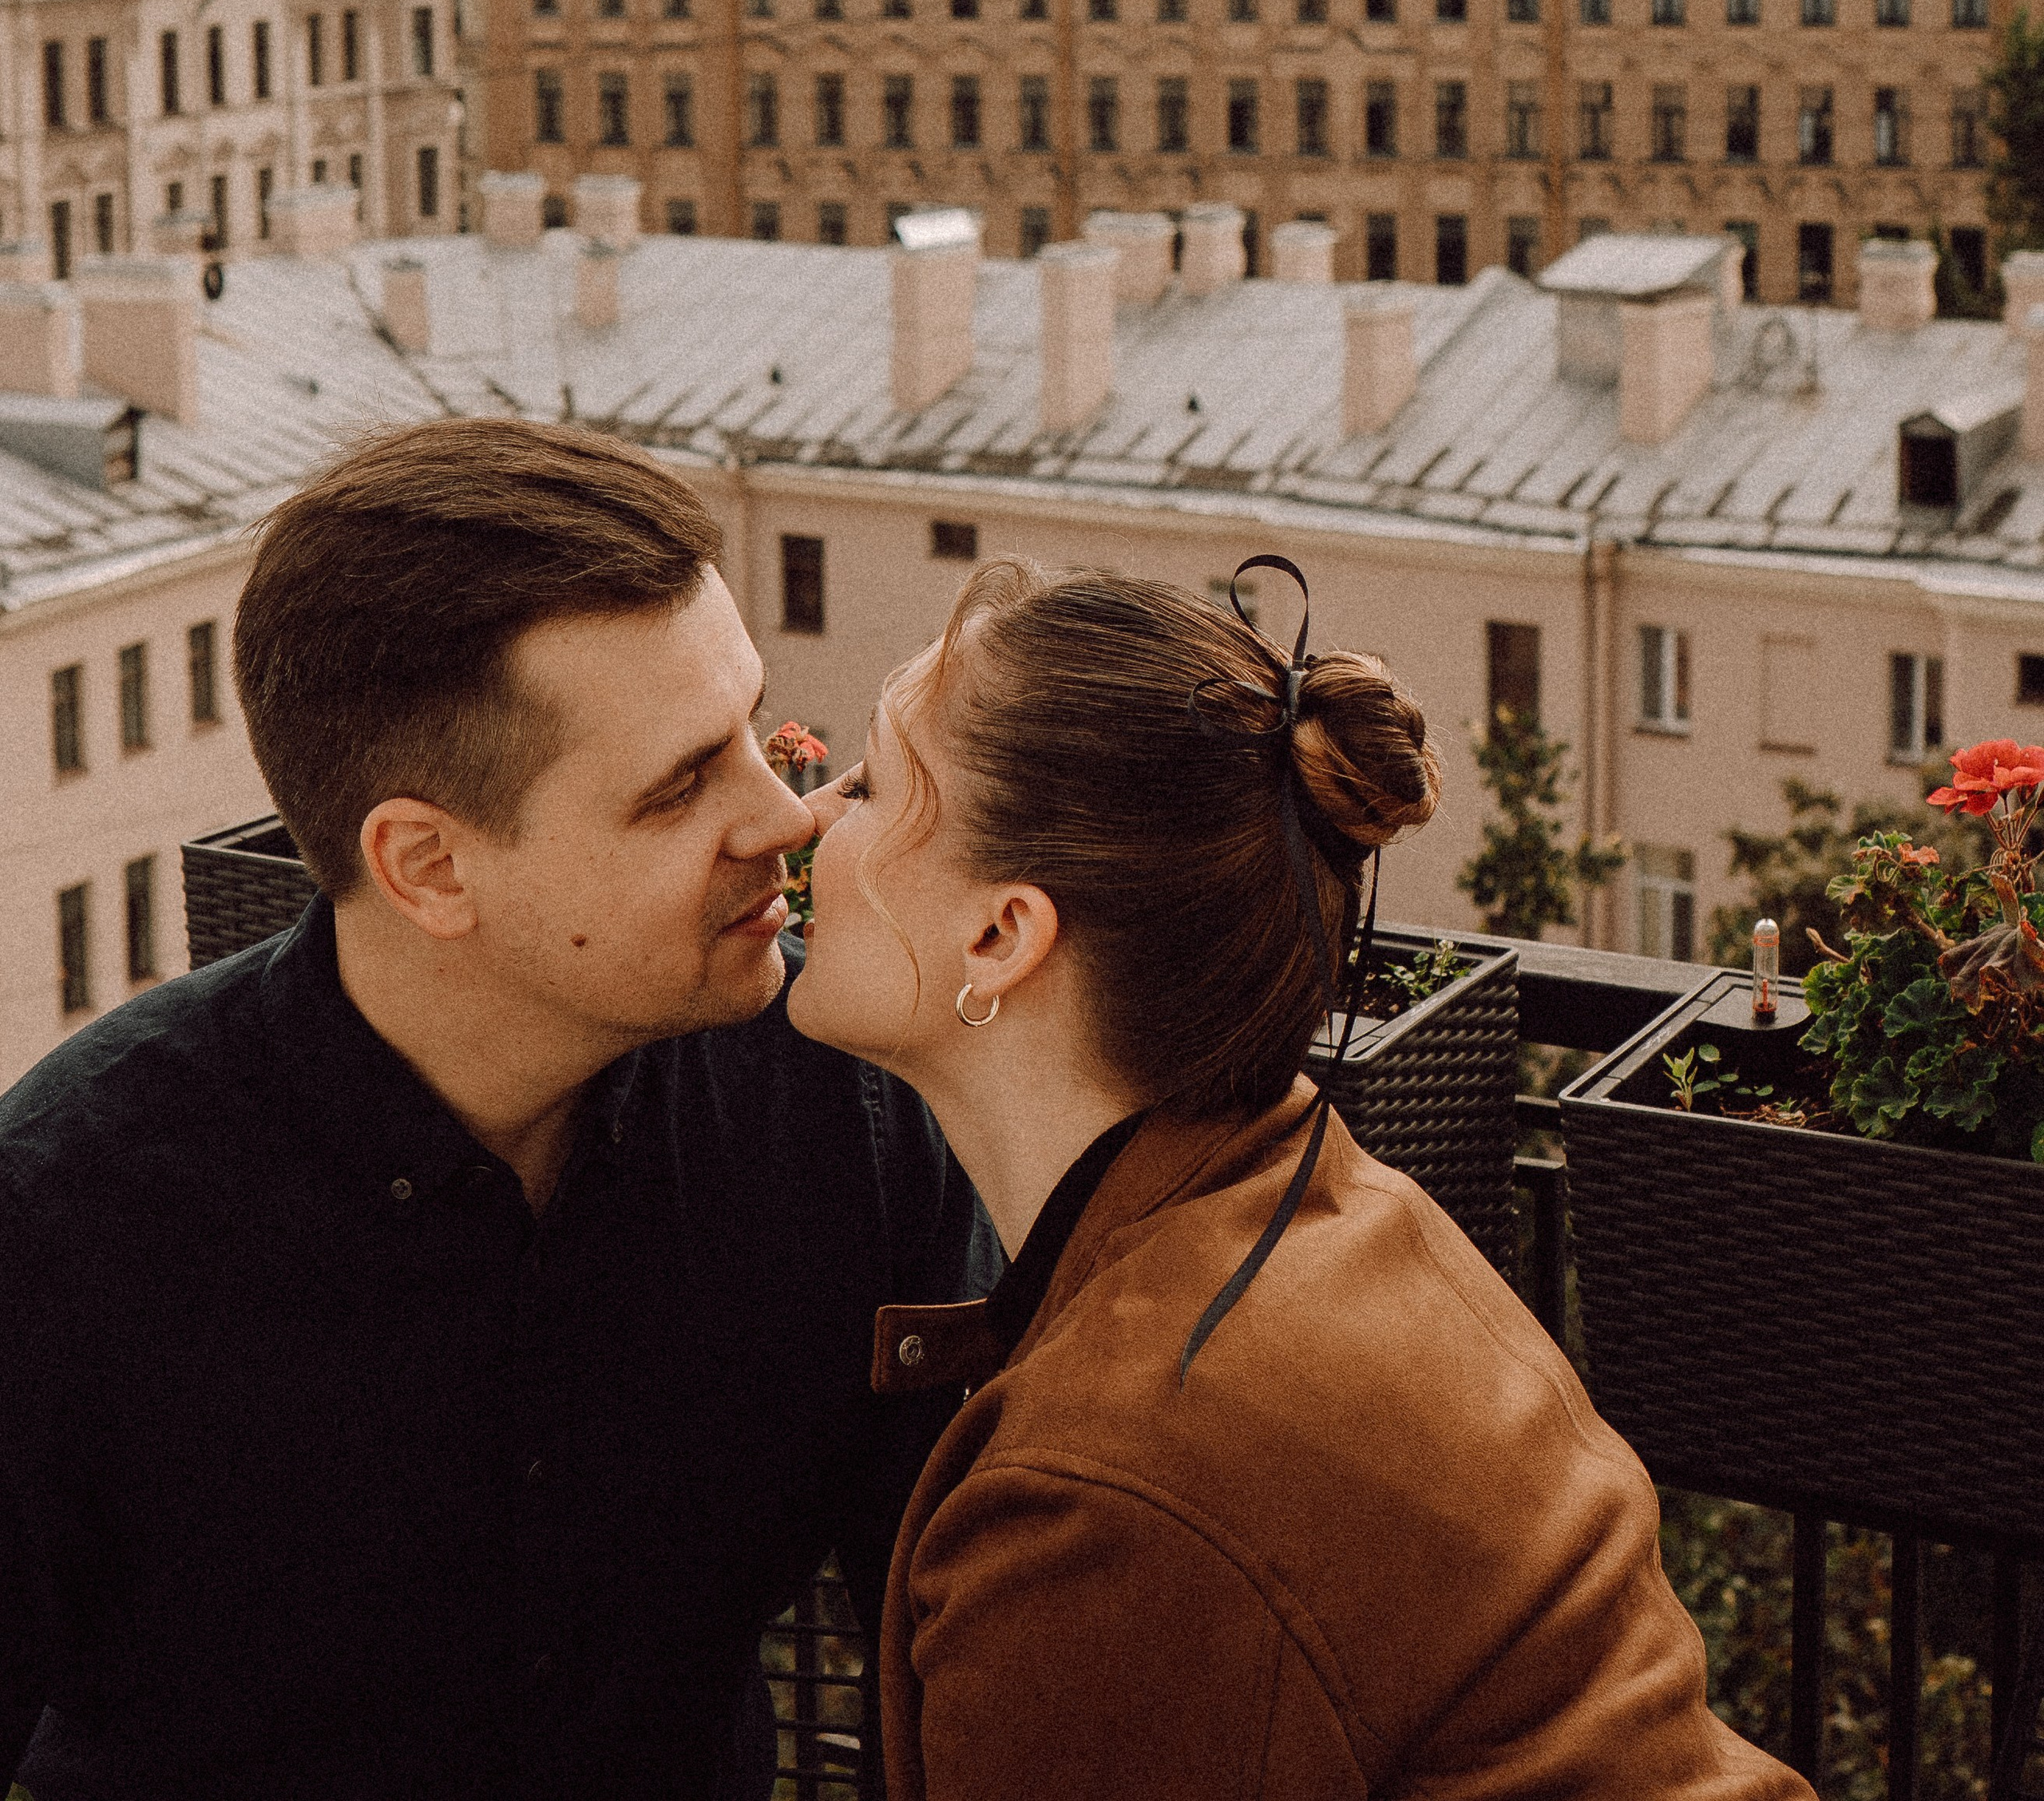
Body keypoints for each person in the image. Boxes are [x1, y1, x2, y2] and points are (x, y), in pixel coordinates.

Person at [0, 420, 989, 1801]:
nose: (788, 815)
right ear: (428, 867)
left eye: (751, 732)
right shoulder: (66, 1228)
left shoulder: (842, 1113)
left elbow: (961, 1644)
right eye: (679, 786)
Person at [787, 556, 1813, 1801]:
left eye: (870, 786)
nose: (807, 819)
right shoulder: (1328, 1200)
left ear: (999, 934)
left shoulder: (1104, 1499)